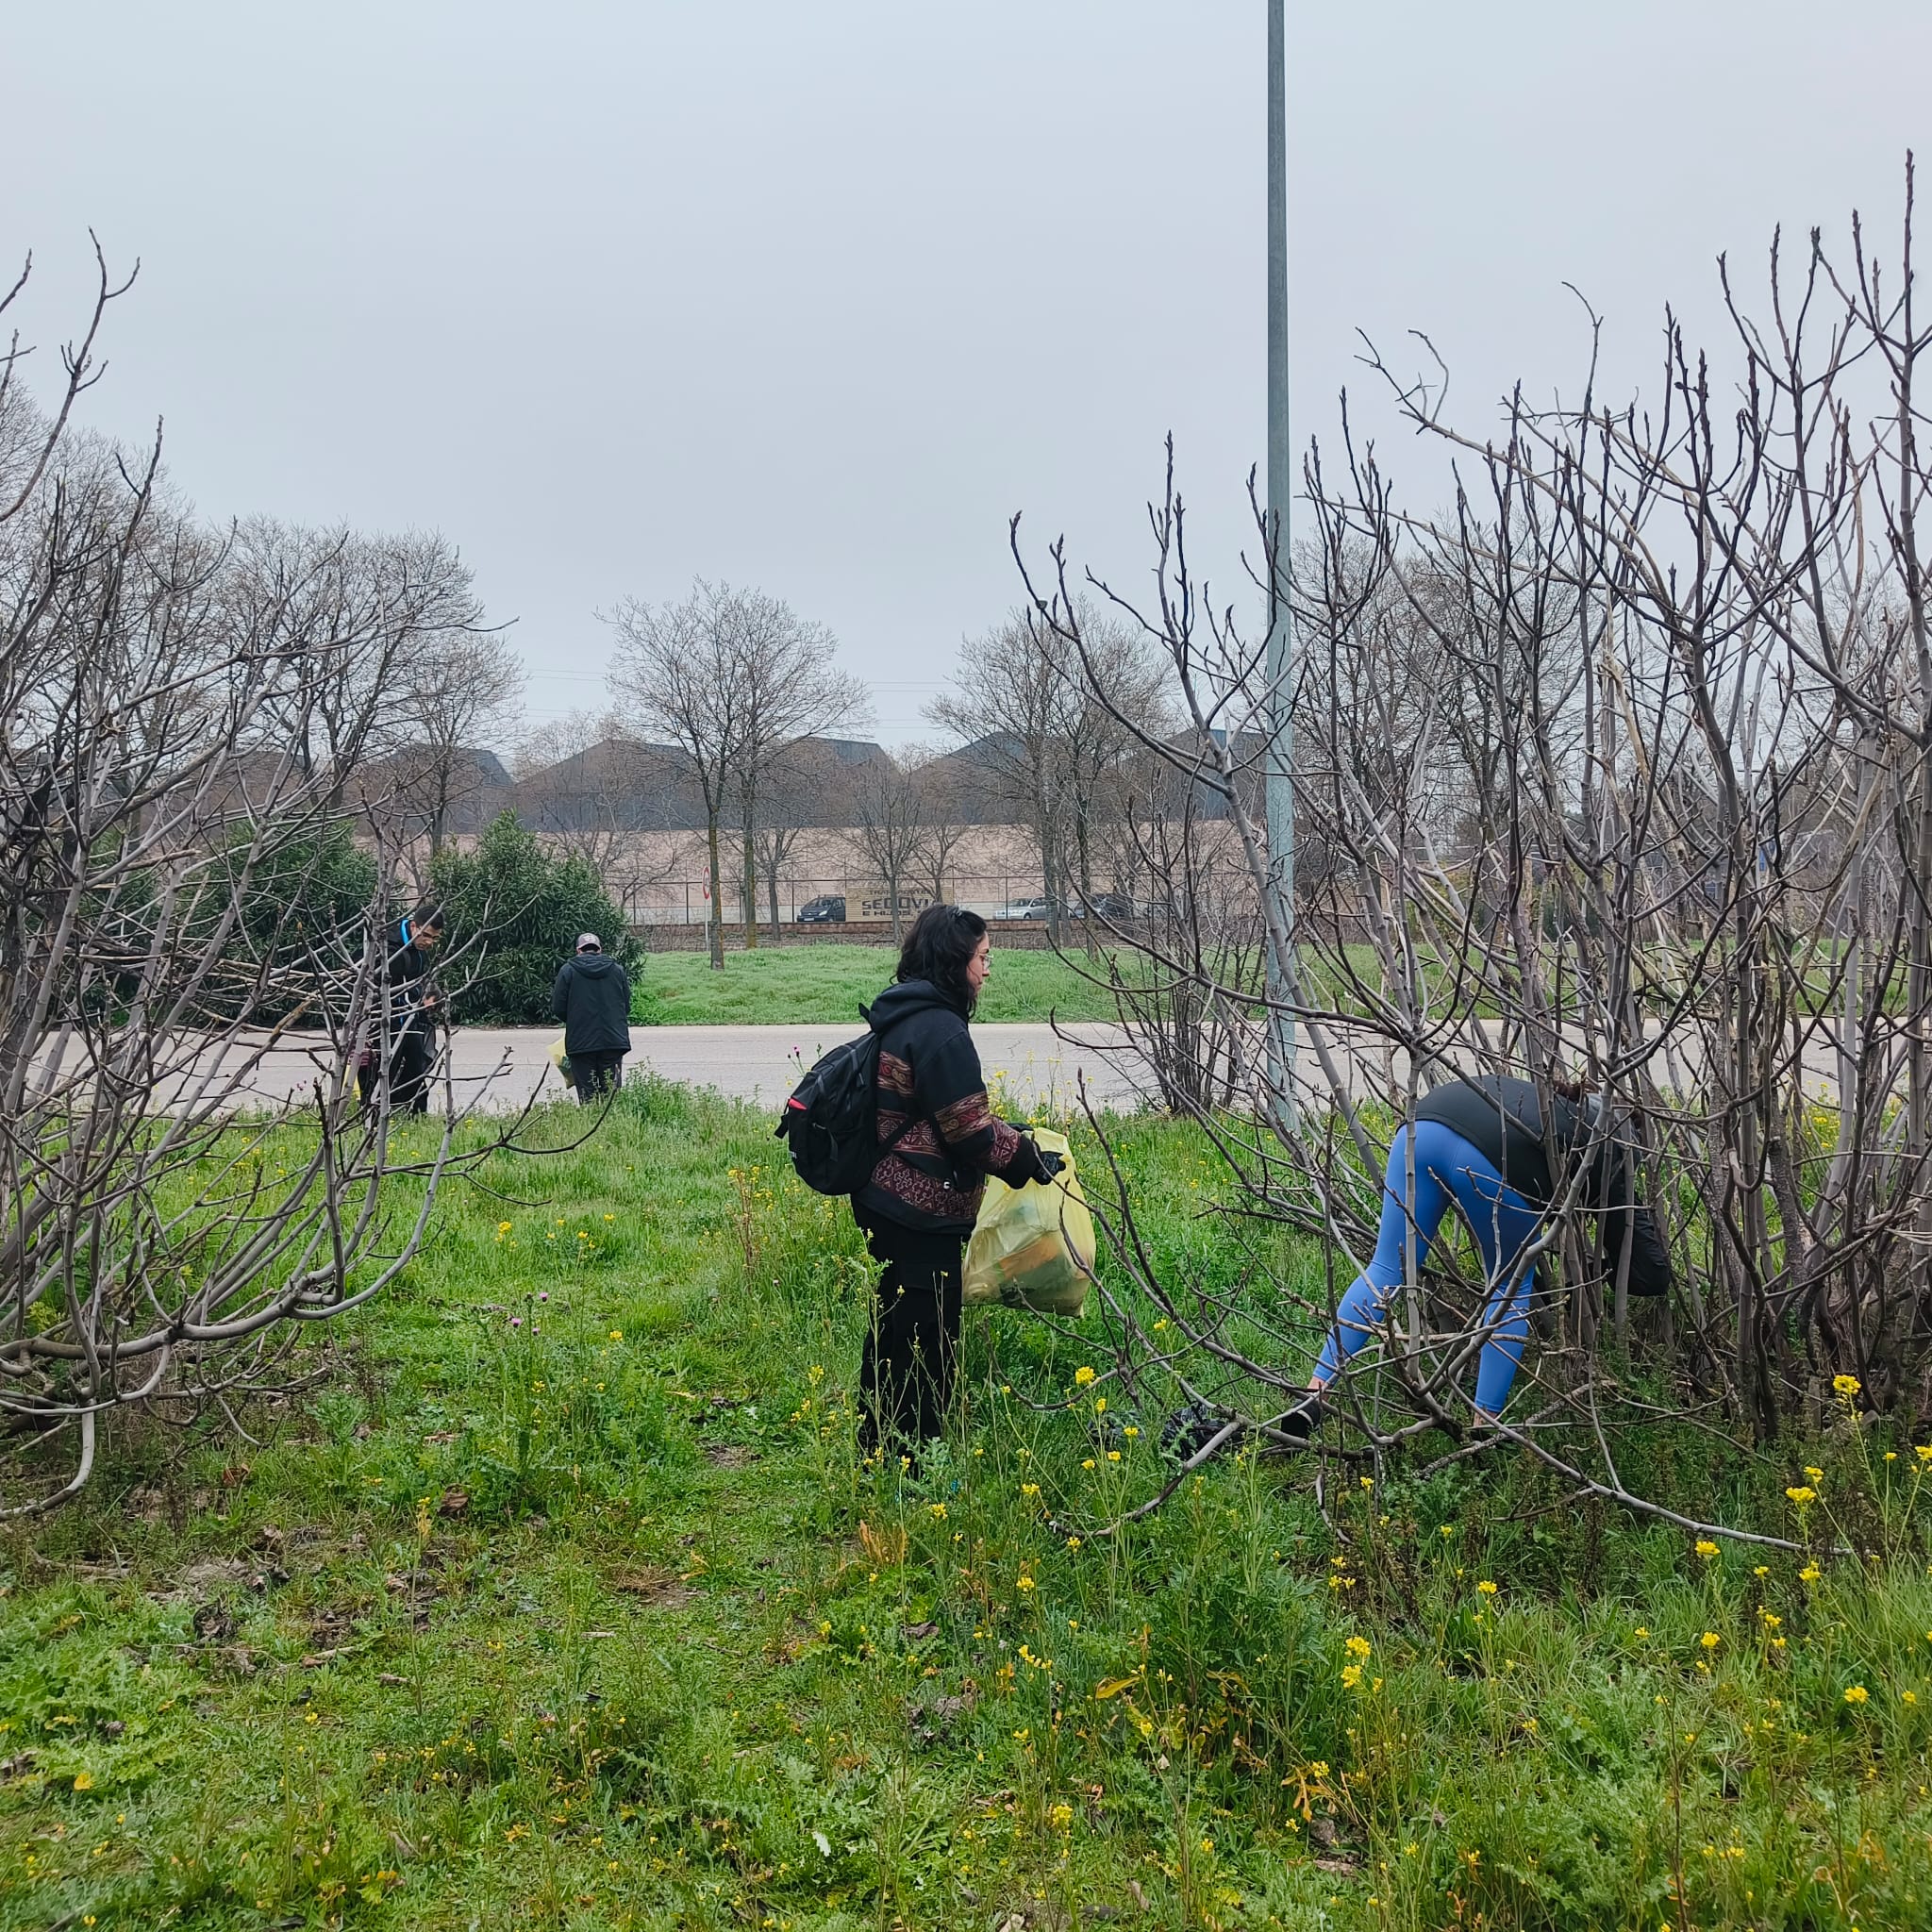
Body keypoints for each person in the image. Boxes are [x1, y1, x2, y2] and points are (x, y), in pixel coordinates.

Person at [1284, 1073, 1674, 1438]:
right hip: (1497, 1159)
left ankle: (1315, 1392)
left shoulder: (1550, 1100)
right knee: (1510, 1286)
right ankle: (1485, 1423)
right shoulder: (1613, 1150)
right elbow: (1652, 1272)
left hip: (1427, 1125)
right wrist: (1593, 1272)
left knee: (1387, 1267)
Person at [852, 904, 1061, 1462]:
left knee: (896, 1325)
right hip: (916, 1208)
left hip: (886, 1199)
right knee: (926, 1337)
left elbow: (938, 1115)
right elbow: (967, 1131)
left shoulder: (907, 1014)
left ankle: (878, 1444)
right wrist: (1025, 1159)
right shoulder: (941, 1028)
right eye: (983, 958)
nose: (988, 970)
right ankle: (916, 1458)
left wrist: (1008, 1134)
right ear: (955, 961)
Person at [358, 903, 444, 1115]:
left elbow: (419, 982)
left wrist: (431, 995)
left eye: (434, 938)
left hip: (410, 1020)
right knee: (378, 1075)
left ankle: (416, 1118)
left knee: (417, 1070)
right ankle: (371, 1116)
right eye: (426, 935)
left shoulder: (420, 950)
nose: (429, 942)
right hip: (380, 1021)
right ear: (414, 926)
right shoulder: (387, 944)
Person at [551, 932, 632, 1101]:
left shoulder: (568, 971)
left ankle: (590, 1123)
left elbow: (558, 1008)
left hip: (581, 1042)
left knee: (587, 1094)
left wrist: (575, 1020)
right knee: (611, 1094)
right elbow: (626, 1005)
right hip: (613, 1041)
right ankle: (614, 1124)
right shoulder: (617, 970)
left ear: (578, 950)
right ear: (599, 950)